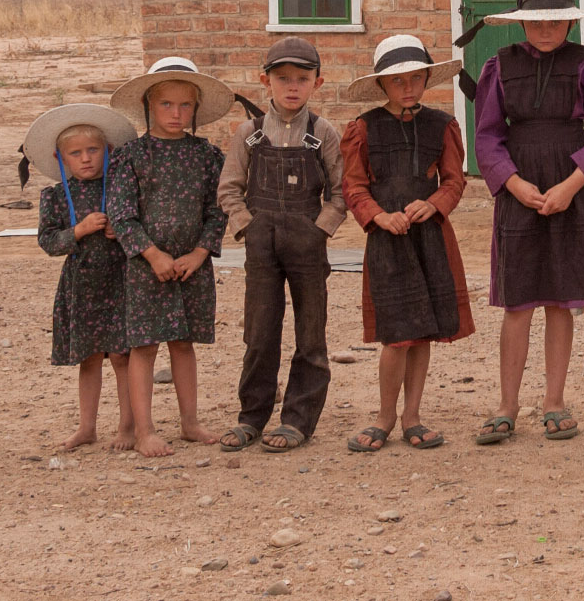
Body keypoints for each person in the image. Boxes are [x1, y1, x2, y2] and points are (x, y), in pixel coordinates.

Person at [468, 0, 584, 446]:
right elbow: (488, 136)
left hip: (571, 185)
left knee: (560, 297)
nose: (545, 28)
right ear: (522, 22)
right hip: (520, 184)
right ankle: (506, 405)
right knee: (517, 299)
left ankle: (554, 401)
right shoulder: (499, 65)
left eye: (555, 19)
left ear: (570, 21)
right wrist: (512, 183)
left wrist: (572, 185)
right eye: (536, 19)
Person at [340, 35, 474, 453]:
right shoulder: (363, 128)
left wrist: (433, 205)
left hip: (429, 238)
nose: (408, 87)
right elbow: (353, 186)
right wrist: (379, 216)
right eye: (398, 81)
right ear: (381, 84)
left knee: (424, 331)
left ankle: (413, 417)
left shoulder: (442, 125)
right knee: (396, 333)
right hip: (387, 241)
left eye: (417, 78)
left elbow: (454, 180)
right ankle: (383, 417)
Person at [216, 36, 345, 454]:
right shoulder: (248, 134)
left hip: (308, 244)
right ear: (264, 81)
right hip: (261, 244)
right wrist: (246, 227)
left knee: (311, 333)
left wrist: (320, 229)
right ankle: (251, 417)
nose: (292, 87)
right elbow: (230, 189)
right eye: (282, 78)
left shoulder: (323, 133)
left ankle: (298, 420)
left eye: (302, 79)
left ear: (317, 84)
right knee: (259, 331)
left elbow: (341, 194)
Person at [106, 55, 234, 458]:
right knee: (144, 347)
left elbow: (218, 210)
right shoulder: (131, 156)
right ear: (148, 106)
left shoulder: (207, 156)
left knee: (183, 343)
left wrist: (199, 253)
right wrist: (152, 254)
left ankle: (190, 422)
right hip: (146, 268)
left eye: (185, 105)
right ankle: (144, 430)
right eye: (166, 104)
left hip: (192, 266)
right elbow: (121, 214)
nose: (176, 113)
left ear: (195, 109)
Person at [25, 104, 137, 452]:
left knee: (122, 356)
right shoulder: (56, 196)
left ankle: (128, 426)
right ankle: (86, 427)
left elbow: (140, 226)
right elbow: (48, 242)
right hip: (81, 285)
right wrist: (78, 230)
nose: (86, 158)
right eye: (76, 153)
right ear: (61, 159)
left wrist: (123, 233)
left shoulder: (123, 188)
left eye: (93, 150)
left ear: (110, 152)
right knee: (88, 358)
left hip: (122, 281)